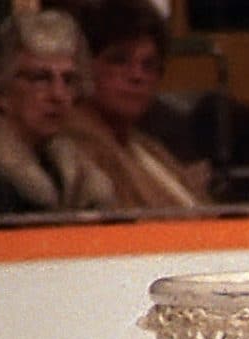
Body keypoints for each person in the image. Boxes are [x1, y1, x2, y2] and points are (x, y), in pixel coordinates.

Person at [55, 0, 209, 210]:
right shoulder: (76, 151)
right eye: (119, 60)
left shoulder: (146, 147)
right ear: (83, 66)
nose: (137, 75)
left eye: (149, 65)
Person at [0, 8, 114, 213]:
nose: (58, 95)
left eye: (68, 80)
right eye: (40, 78)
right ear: (0, 91)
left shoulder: (76, 177)